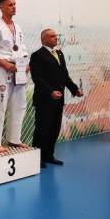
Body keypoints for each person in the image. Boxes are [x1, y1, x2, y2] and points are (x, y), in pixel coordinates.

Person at [30, 29, 83, 168]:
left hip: (58, 100)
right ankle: (37, 159)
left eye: (56, 36)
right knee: (42, 130)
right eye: (52, 36)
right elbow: (37, 78)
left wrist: (75, 89)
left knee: (54, 129)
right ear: (44, 39)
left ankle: (49, 156)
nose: (56, 38)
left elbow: (64, 76)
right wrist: (50, 92)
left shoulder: (59, 53)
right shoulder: (37, 55)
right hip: (44, 100)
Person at [0, 0, 30, 152]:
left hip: (18, 70)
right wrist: (5, 64)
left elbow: (22, 48)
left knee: (19, 105)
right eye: (10, 5)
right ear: (2, 8)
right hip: (3, 69)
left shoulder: (18, 27)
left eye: (15, 4)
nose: (14, 7)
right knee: (0, 106)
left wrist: (26, 65)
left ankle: (14, 139)